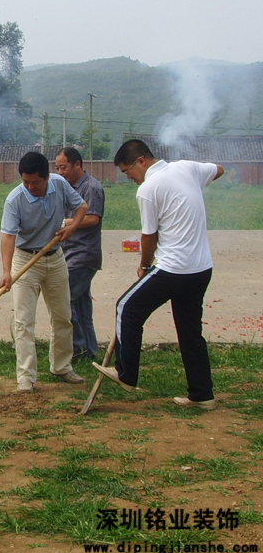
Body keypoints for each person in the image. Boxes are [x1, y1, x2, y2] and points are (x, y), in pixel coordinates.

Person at [94, 139, 224, 409]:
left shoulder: (149, 189)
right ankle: (202, 395)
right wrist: (193, 187)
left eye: (127, 171)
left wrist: (144, 264)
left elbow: (149, 236)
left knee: (126, 308)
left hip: (173, 267)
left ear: (141, 161)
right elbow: (218, 169)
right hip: (201, 268)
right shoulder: (187, 168)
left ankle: (126, 374)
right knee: (190, 332)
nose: (129, 178)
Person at [0, 152, 89, 392]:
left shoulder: (59, 185)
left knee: (62, 316)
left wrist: (72, 229)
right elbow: (8, 237)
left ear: (47, 177)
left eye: (35, 182)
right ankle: (26, 377)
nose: (30, 187)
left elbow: (82, 207)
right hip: (25, 260)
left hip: (56, 258)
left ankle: (61, 366)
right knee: (24, 320)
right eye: (25, 181)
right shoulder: (15, 199)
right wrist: (7, 272)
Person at [54, 147, 104, 359]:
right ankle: (89, 349)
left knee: (67, 300)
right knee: (81, 305)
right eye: (57, 168)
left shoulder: (91, 187)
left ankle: (77, 348)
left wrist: (65, 222)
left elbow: (92, 218)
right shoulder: (66, 188)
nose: (60, 172)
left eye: (63, 167)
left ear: (77, 164)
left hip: (83, 255)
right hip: (68, 253)